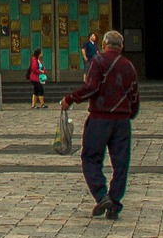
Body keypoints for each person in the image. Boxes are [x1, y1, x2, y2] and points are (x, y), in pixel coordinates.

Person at [59, 29, 140, 221]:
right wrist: (130, 114)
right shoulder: (129, 66)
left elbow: (92, 87)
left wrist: (70, 98)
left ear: (104, 45)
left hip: (99, 119)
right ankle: (114, 201)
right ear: (121, 46)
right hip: (121, 122)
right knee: (121, 163)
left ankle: (102, 195)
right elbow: (134, 95)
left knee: (90, 158)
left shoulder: (99, 61)